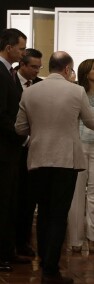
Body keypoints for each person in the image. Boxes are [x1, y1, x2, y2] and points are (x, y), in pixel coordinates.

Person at [15, 51, 94, 284]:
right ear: (67, 69)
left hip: (37, 160)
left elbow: (19, 129)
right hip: (66, 161)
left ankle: (45, 263)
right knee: (58, 215)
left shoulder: (30, 91)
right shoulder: (76, 91)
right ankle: (50, 270)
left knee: (43, 214)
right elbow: (90, 123)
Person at [68, 59, 94, 253]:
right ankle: (75, 240)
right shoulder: (76, 92)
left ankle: (93, 237)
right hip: (79, 145)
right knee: (76, 194)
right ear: (85, 72)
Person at [0, 28, 28, 272]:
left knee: (10, 201)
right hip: (3, 149)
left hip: (10, 149)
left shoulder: (10, 72)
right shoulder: (1, 72)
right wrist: (21, 132)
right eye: (20, 48)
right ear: (9, 48)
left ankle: (8, 250)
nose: (22, 52)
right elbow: (1, 114)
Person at [15, 48, 43, 258]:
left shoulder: (41, 85)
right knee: (12, 199)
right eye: (33, 67)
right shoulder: (9, 81)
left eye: (39, 67)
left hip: (37, 151)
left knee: (29, 199)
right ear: (22, 65)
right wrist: (24, 139)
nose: (36, 71)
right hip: (13, 149)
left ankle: (23, 242)